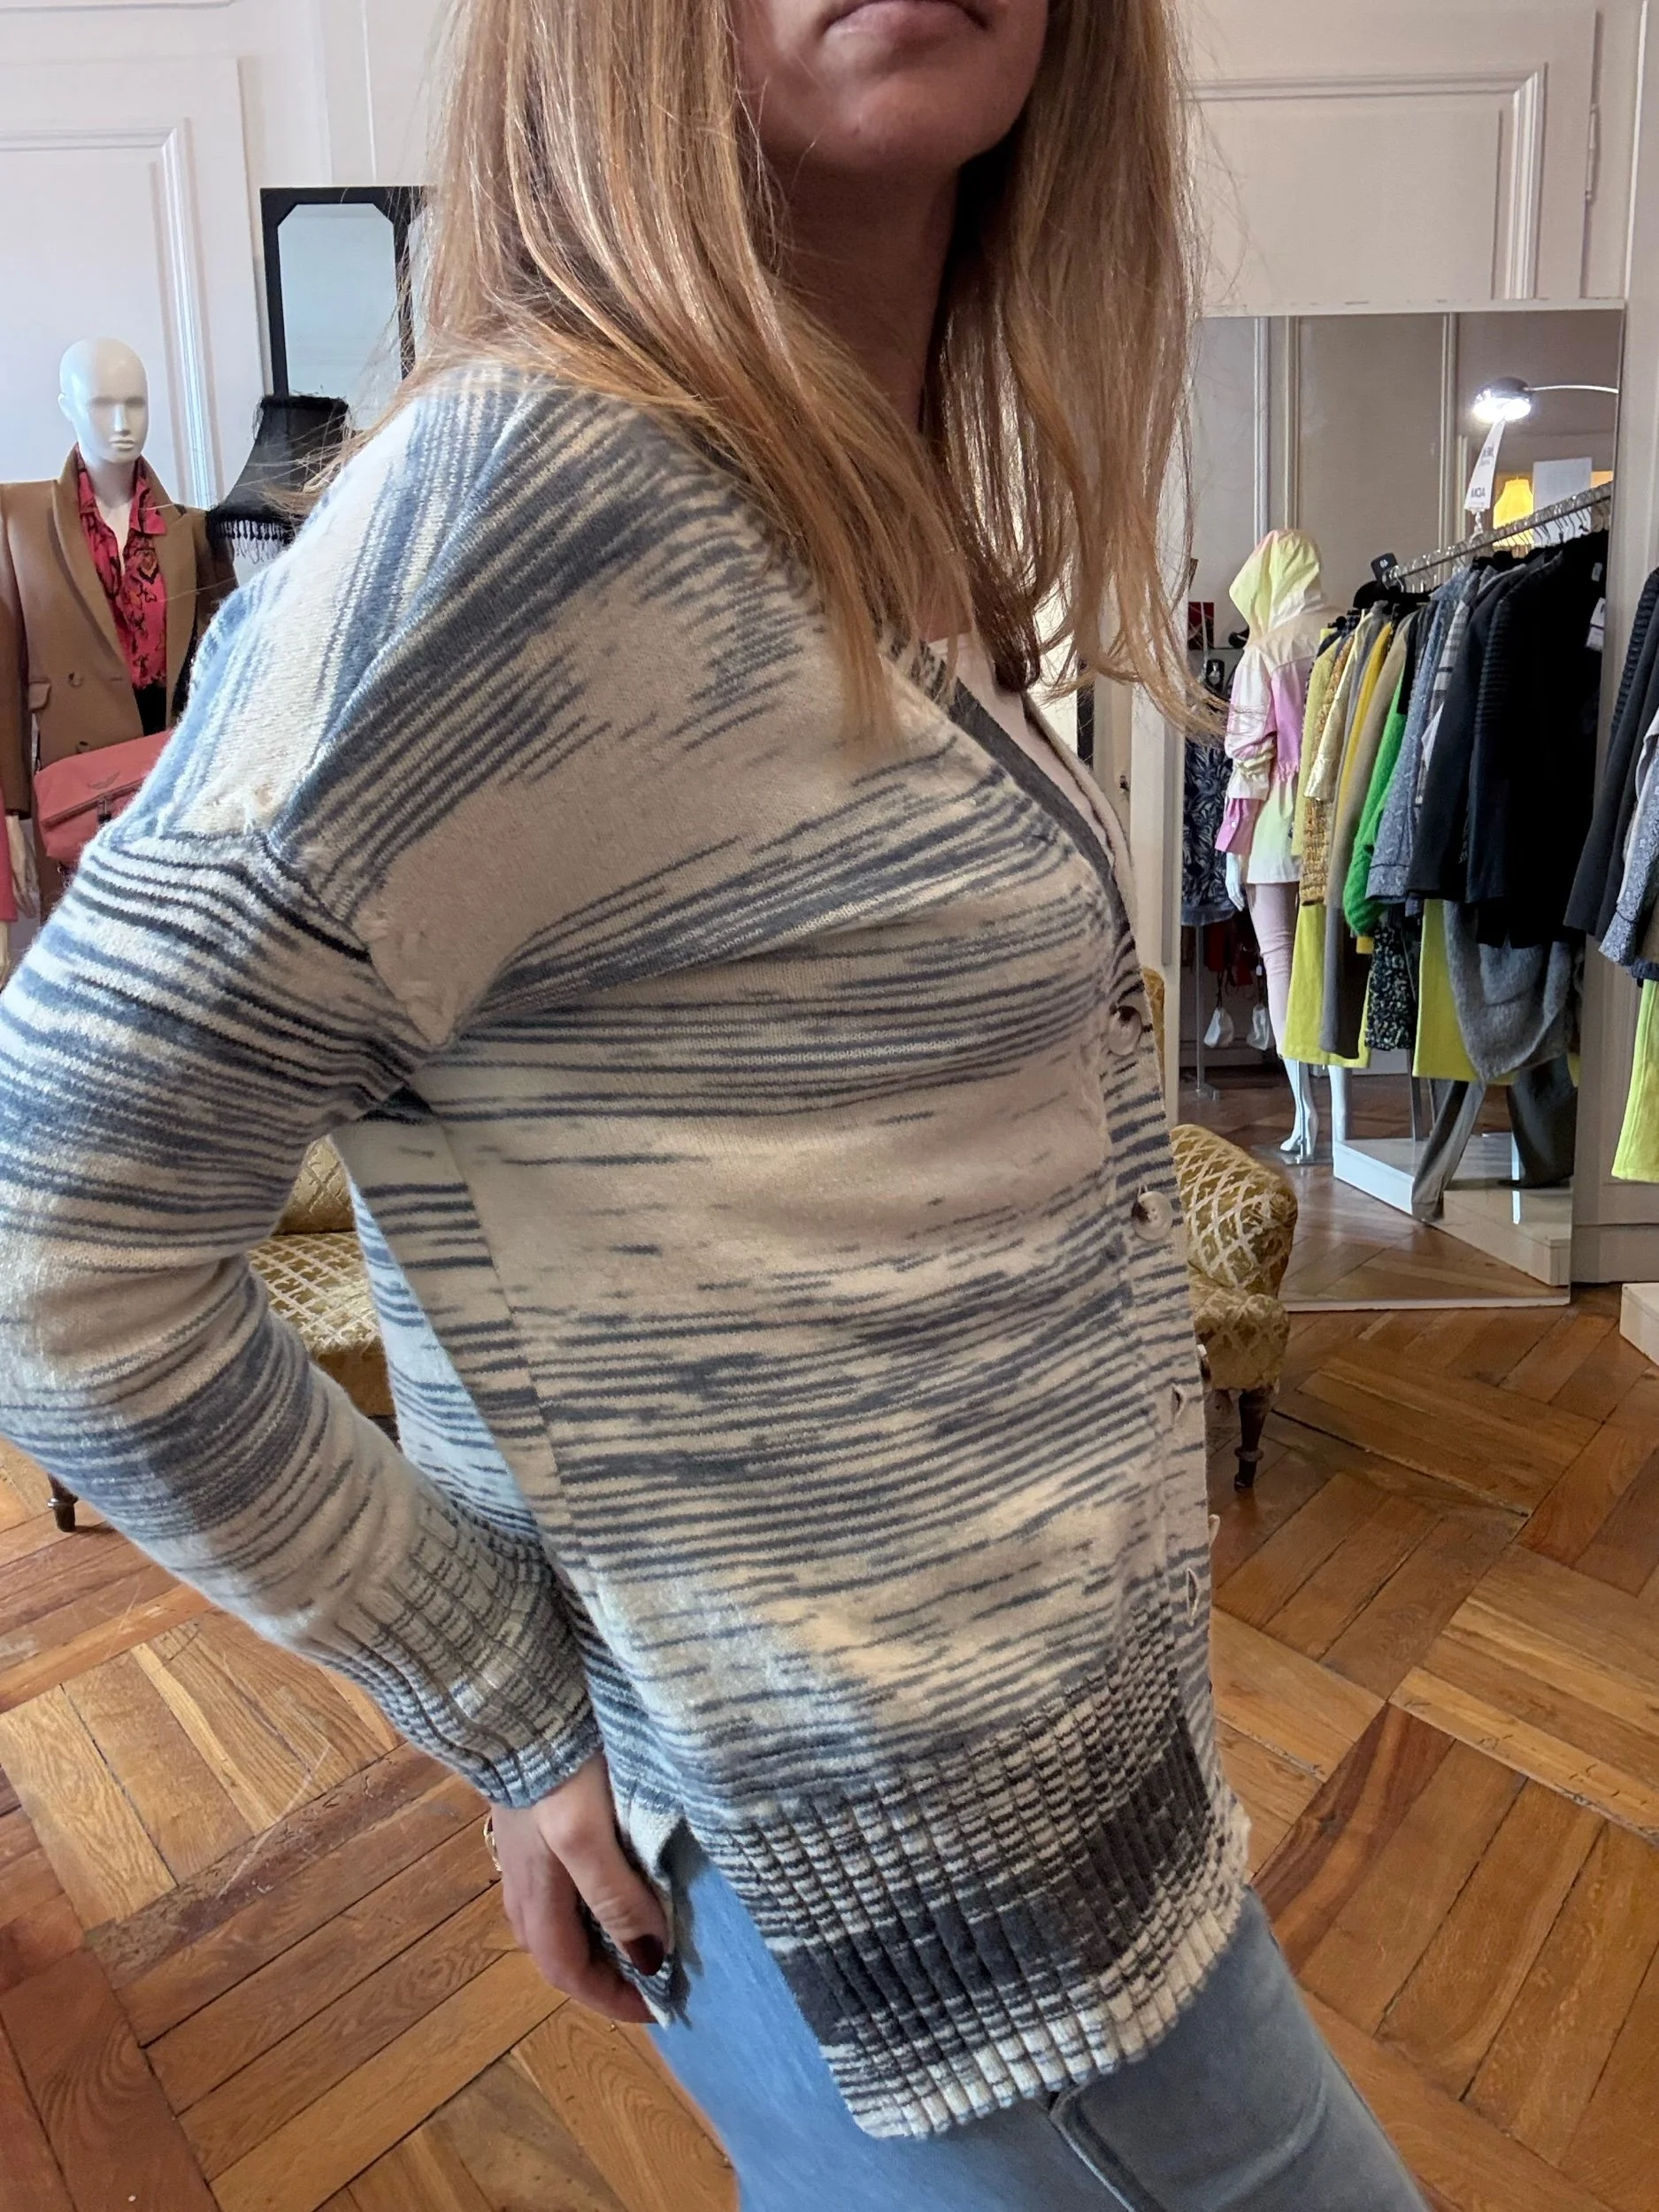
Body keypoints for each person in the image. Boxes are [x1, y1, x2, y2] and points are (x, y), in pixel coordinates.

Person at [0, 2, 1427, 2206]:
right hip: (926, 1906)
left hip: (1041, 1826)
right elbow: (55, 1257)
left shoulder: (854, 501)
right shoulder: (534, 507)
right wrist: (503, 1698)